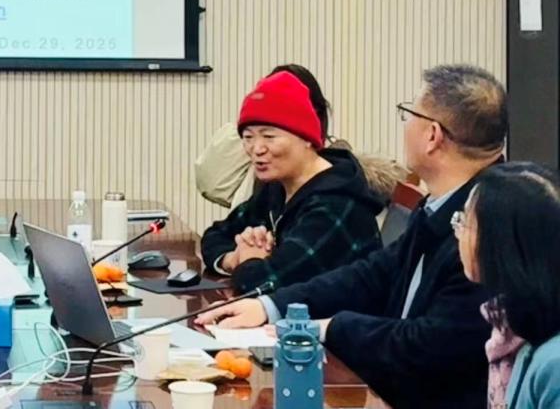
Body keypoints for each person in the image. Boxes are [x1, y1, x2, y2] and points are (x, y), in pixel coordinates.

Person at [196, 64, 508, 409]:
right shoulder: (443, 203)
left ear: (432, 135)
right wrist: (271, 306)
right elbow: (374, 272)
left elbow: (428, 344)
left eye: (409, 114)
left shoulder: (486, 226)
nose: (257, 148)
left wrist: (330, 328)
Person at [200, 70, 383, 292]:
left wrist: (251, 259)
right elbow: (215, 234)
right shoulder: (278, 188)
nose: (257, 149)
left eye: (269, 137)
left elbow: (261, 282)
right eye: (248, 137)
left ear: (307, 139)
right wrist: (233, 258)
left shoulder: (335, 206)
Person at [195, 64, 404, 212]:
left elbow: (280, 261)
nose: (258, 147)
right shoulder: (274, 183)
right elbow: (213, 186)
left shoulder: (333, 193)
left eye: (270, 133)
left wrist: (243, 254)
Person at [454, 162, 560, 409]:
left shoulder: (553, 363)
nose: (457, 233)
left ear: (501, 241)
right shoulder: (513, 325)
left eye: (464, 222)